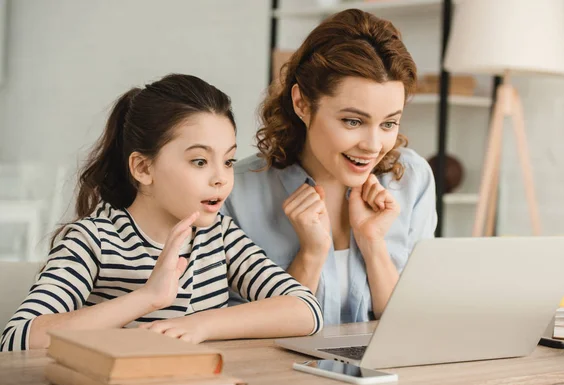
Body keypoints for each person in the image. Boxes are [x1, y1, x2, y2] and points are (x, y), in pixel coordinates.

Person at [0, 74, 323, 352]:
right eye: (199, 161)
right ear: (143, 167)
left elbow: (306, 310)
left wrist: (202, 326)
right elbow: (17, 340)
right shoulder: (93, 240)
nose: (221, 178)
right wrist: (147, 297)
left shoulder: (220, 236)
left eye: (227, 161)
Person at [222, 9, 437, 324]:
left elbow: (413, 329)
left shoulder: (412, 180)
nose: (373, 145)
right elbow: (235, 334)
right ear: (302, 104)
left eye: (389, 123)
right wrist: (310, 254)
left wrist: (373, 243)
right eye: (353, 121)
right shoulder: (235, 192)